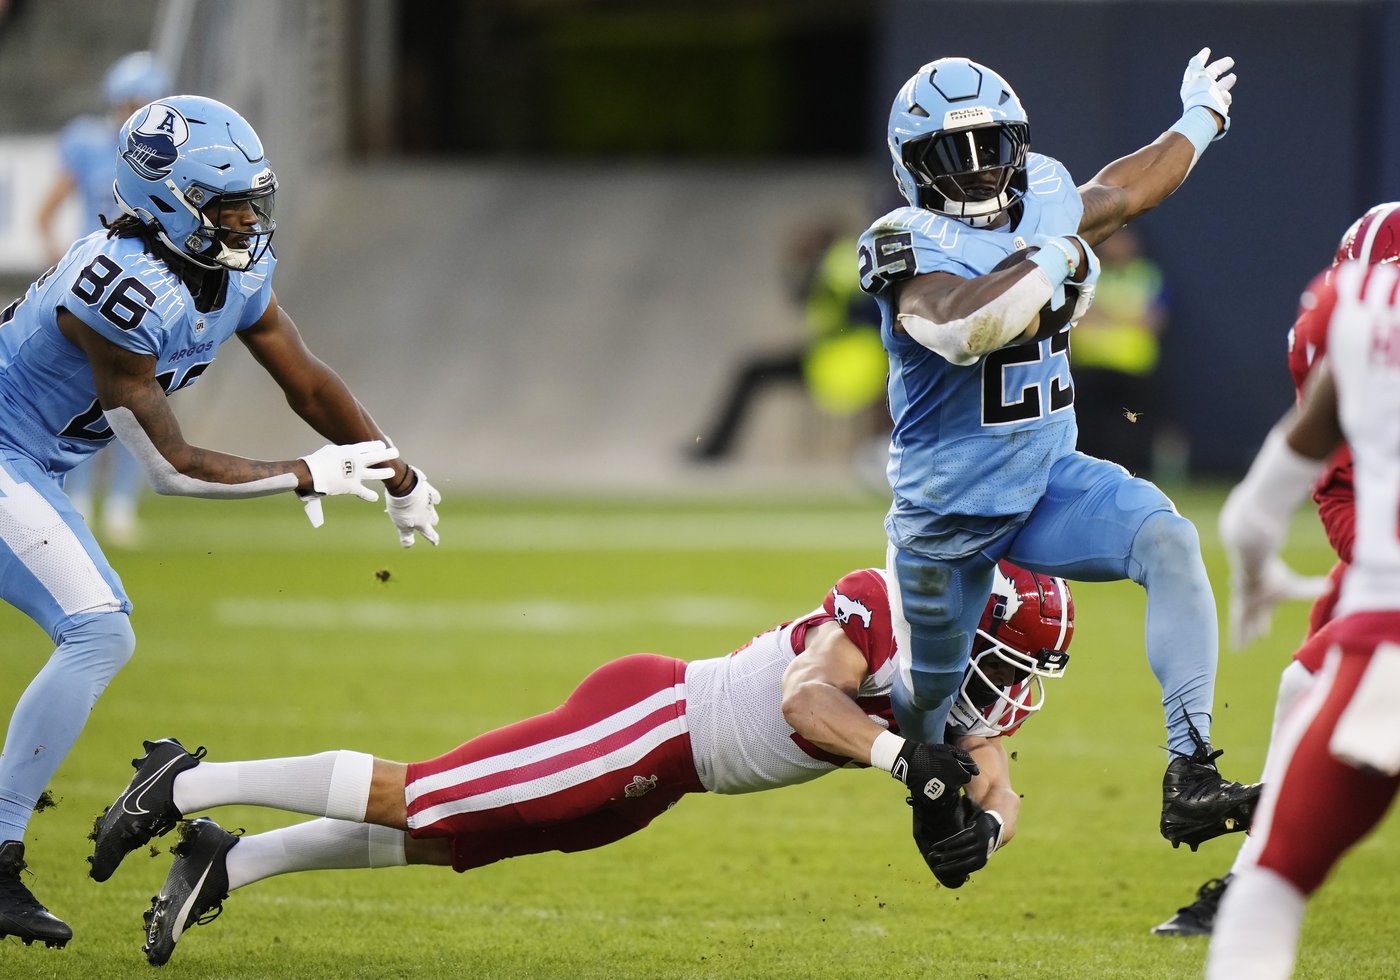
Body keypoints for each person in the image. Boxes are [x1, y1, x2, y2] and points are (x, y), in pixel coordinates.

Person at [87, 561, 1073, 965]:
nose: (1010, 685)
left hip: (673, 775)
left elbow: (996, 778)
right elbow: (806, 703)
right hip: (651, 716)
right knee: (422, 795)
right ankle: (184, 779)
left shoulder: (958, 686)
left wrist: (980, 828)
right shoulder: (887, 600)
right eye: (1010, 658)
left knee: (454, 843)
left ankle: (232, 857)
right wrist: (903, 760)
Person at [0, 95, 443, 950]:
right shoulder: (120, 287)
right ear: (165, 199)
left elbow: (304, 379)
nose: (245, 219)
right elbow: (168, 468)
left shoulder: (229, 266)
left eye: (252, 199)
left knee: (99, 631)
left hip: (32, 463)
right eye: (225, 202)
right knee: (97, 630)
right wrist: (304, 472)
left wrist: (397, 466)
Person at [855, 49, 1257, 850]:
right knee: (925, 702)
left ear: (1019, 142)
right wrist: (1054, 258)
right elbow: (962, 328)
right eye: (950, 155)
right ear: (911, 169)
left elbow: (1130, 188)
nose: (976, 172)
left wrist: (1201, 120)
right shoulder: (903, 243)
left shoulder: (1044, 199)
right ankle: (934, 804)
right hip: (948, 513)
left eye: (991, 147)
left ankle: (1191, 773)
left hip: (1046, 482)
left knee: (1168, 538)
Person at [1152, 202, 1400, 937]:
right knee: (1304, 685)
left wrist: (1261, 573)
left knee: (1282, 873)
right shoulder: (1357, 332)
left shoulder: (1351, 314)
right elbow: (1341, 488)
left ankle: (1254, 877)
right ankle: (1251, 872)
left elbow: (1263, 509)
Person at [1205, 256, 1400, 979]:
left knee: (1270, 884)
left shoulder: (1362, 298)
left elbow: (1253, 515)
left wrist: (1257, 577)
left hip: (1386, 651)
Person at [35, 52, 173, 547]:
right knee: (81, 401)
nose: (136, 108)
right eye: (131, 100)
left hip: (145, 293)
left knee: (138, 403)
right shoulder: (89, 142)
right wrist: (60, 267)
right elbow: (46, 213)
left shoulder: (170, 157)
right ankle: (75, 503)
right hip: (91, 290)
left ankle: (118, 506)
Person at [687, 221, 887, 464]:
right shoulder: (845, 258)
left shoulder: (840, 262)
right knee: (753, 371)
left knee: (752, 371)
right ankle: (715, 448)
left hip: (852, 358)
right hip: (840, 355)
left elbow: (851, 305)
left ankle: (715, 449)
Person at [1065, 225, 1167, 476]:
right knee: (1087, 431)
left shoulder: (1147, 275)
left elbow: (1154, 320)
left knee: (1129, 428)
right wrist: (1128, 315)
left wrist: (1104, 316)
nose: (1116, 247)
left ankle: (1128, 477)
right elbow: (1074, 319)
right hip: (1090, 368)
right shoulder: (1090, 275)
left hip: (1132, 370)